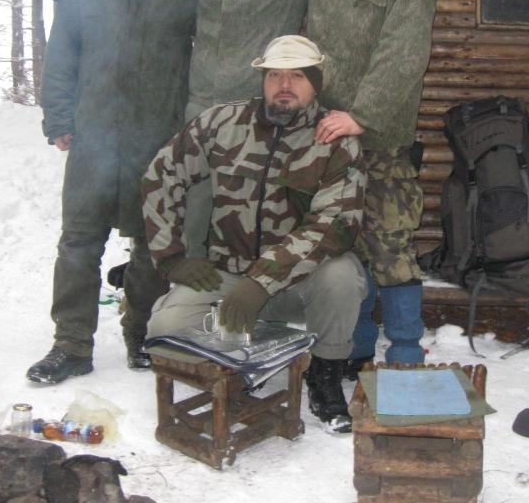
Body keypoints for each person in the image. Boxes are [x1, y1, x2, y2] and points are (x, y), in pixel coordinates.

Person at [48, 0, 451, 254]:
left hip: (265, 114)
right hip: (202, 112)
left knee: (262, 223)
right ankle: (192, 294)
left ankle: (259, 297)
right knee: (194, 223)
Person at [141, 35, 367, 433]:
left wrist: (261, 283)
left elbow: (334, 224)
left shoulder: (336, 139)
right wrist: (171, 257)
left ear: (316, 83)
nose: (284, 85)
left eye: (298, 75)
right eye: (274, 75)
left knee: (342, 275)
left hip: (298, 283)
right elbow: (162, 174)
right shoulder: (222, 123)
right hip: (229, 274)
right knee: (163, 331)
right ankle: (246, 354)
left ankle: (325, 374)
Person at [26, 0, 197, 384]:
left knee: (152, 242)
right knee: (79, 241)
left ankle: (141, 332)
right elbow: (63, 49)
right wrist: (58, 115)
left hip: (157, 128)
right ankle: (71, 344)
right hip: (95, 128)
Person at [306, 0, 437, 370]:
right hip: (329, 135)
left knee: (390, 244)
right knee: (347, 246)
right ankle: (356, 351)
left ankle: (405, 352)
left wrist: (362, 115)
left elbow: (405, 48)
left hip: (379, 137)